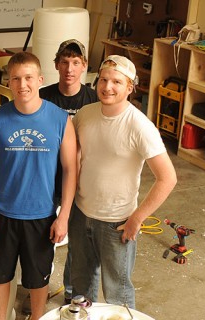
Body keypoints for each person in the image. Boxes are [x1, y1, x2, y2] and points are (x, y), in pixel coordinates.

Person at [0, 51, 77, 320]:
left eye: (29, 78)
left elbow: (70, 169)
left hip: (42, 214)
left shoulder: (60, 119)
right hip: (3, 213)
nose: (23, 85)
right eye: (16, 79)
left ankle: (37, 317)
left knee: (37, 279)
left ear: (40, 79)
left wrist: (63, 216)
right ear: (8, 82)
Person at [70, 55, 177, 309]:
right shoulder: (84, 115)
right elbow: (73, 161)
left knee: (118, 294)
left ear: (130, 87)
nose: (108, 87)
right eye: (104, 80)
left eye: (117, 82)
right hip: (80, 213)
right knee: (81, 286)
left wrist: (137, 218)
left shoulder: (140, 126)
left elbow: (168, 178)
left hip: (117, 223)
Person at [33, 39, 98, 309]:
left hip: (79, 179)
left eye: (75, 62)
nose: (69, 68)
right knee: (41, 237)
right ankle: (38, 287)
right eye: (64, 62)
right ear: (56, 65)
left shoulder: (93, 99)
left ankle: (72, 290)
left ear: (83, 66)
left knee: (78, 239)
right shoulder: (44, 96)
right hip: (46, 179)